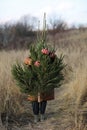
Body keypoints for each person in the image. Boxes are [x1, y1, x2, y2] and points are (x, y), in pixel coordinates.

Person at [24, 57, 54, 123]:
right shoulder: (32, 55)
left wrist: (51, 56)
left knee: (44, 99)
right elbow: (26, 61)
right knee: (34, 99)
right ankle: (36, 117)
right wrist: (33, 62)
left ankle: (42, 115)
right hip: (33, 81)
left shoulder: (46, 55)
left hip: (44, 80)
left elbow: (53, 61)